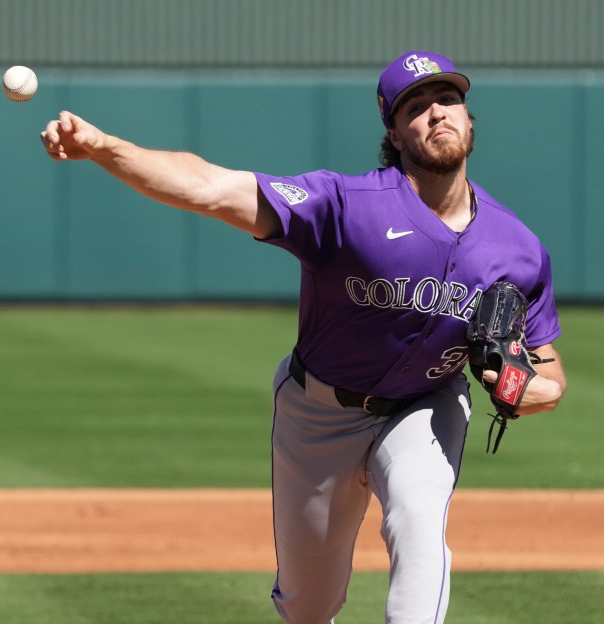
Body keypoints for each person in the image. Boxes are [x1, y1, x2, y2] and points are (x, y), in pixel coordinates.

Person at [40, 49, 567, 624]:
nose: (436, 113)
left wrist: (536, 389)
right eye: (415, 106)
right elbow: (211, 188)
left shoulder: (517, 247)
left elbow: (546, 367)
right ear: (393, 131)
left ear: (469, 118)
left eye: (448, 99)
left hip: (426, 404)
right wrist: (104, 148)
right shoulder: (345, 206)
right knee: (308, 604)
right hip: (319, 412)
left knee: (419, 526)